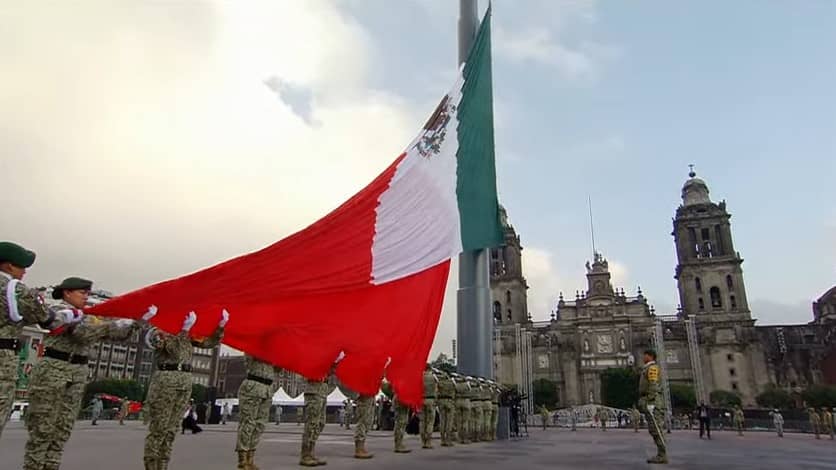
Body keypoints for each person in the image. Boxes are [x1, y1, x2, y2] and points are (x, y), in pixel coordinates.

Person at [24, 277, 142, 470]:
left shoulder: (88, 316)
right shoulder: (58, 312)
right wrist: (111, 325)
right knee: (42, 430)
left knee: (62, 431)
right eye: (83, 293)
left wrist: (136, 322)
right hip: (53, 371)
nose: (86, 297)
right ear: (67, 293)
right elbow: (82, 334)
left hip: (77, 373)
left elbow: (116, 336)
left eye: (88, 293)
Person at [143, 308, 226, 470]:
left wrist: (220, 327)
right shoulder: (158, 332)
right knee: (159, 428)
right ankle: (151, 466)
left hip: (184, 382)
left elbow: (209, 343)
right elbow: (173, 350)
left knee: (172, 429)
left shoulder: (189, 335)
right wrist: (184, 330)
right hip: (166, 381)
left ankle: (163, 464)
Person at [0, 241, 58, 438]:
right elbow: (46, 319)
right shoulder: (13, 288)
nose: (24, 271)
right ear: (8, 266)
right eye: (21, 266)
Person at [236, 354, 281, 470]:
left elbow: (277, 369)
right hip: (253, 386)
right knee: (248, 423)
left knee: (260, 425)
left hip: (267, 389)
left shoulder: (274, 349)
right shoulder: (255, 343)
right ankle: (242, 459)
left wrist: (281, 361)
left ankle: (250, 458)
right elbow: (254, 356)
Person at [638, 349, 667, 465]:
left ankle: (662, 455)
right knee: (653, 429)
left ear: (650, 356)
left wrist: (650, 401)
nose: (643, 357)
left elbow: (653, 385)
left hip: (653, 402)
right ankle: (661, 454)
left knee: (656, 429)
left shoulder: (652, 368)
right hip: (651, 401)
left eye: (644, 355)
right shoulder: (647, 368)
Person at [299, 376, 329, 466]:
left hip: (323, 387)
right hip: (313, 388)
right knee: (311, 423)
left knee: (320, 423)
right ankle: (305, 455)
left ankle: (311, 452)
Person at [419, 365, 438, 449]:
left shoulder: (419, 377)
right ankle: (428, 441)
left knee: (422, 421)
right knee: (430, 421)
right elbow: (437, 389)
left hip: (421, 400)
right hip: (431, 400)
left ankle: (423, 441)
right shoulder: (434, 377)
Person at [437, 371, 456, 447]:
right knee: (449, 421)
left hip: (441, 401)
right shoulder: (451, 382)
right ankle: (448, 440)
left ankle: (442, 440)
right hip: (449, 401)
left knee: (442, 421)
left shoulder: (439, 382)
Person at [353, 393, 375, 459]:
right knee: (362, 422)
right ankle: (359, 448)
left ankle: (361, 448)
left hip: (369, 395)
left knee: (367, 422)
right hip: (363, 396)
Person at [453, 373, 471, 444]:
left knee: (459, 421)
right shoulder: (467, 384)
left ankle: (460, 438)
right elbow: (470, 390)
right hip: (466, 401)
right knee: (465, 421)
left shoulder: (456, 384)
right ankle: (465, 438)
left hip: (458, 401)